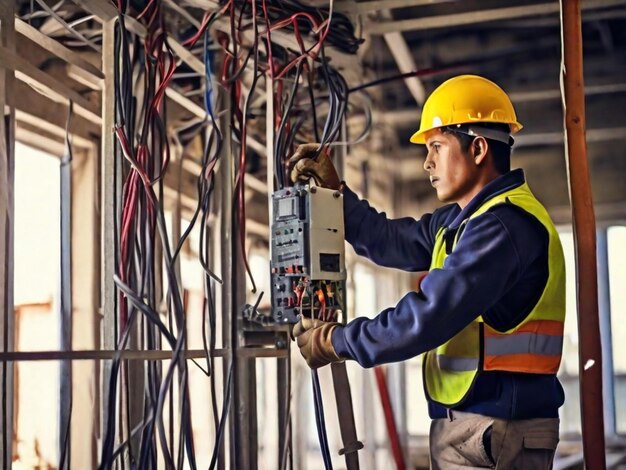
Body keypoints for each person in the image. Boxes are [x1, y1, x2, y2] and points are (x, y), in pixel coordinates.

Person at [289, 75, 565, 469]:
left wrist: (337, 340)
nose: (427, 161)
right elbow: (388, 239)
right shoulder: (462, 222)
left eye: (437, 146)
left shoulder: (504, 226)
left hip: (497, 426)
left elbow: (427, 316)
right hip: (479, 425)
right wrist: (336, 195)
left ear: (478, 148)